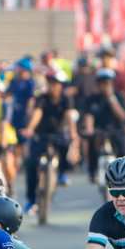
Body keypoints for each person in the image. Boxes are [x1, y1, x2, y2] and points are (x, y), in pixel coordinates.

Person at [21, 70, 79, 207]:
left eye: (56, 84)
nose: (53, 86)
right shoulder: (42, 98)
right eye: (51, 83)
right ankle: (31, 200)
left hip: (58, 133)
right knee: (31, 164)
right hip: (41, 134)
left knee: (65, 145)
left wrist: (73, 133)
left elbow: (69, 116)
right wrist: (30, 128)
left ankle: (62, 174)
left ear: (61, 86)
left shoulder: (66, 99)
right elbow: (38, 113)